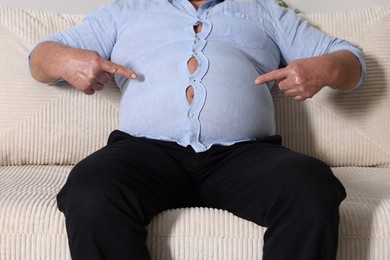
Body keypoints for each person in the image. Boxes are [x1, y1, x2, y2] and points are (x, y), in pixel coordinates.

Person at [28, 0, 365, 259]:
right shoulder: (125, 9)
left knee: (311, 183)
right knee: (90, 188)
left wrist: (327, 68)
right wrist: (65, 61)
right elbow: (39, 58)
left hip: (245, 156)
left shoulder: (264, 11)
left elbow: (351, 60)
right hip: (144, 154)